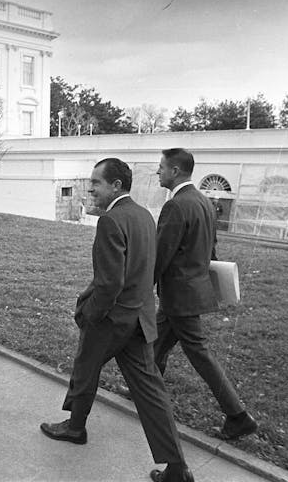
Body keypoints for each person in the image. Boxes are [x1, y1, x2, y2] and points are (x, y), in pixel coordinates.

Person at [40, 158, 194, 482]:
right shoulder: (144, 216)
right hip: (140, 318)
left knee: (85, 365)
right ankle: (177, 467)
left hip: (112, 319)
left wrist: (90, 315)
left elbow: (109, 283)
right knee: (151, 392)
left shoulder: (110, 221)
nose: (91, 188)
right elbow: (147, 270)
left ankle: (75, 428)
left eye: (96, 182)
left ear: (116, 186)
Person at [153, 148, 257, 441]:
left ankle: (238, 415)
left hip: (179, 298)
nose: (158, 172)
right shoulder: (204, 202)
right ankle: (146, 392)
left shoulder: (176, 206)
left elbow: (161, 254)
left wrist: (141, 287)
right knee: (154, 348)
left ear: (175, 171)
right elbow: (211, 249)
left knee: (200, 355)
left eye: (161, 167)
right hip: (190, 292)